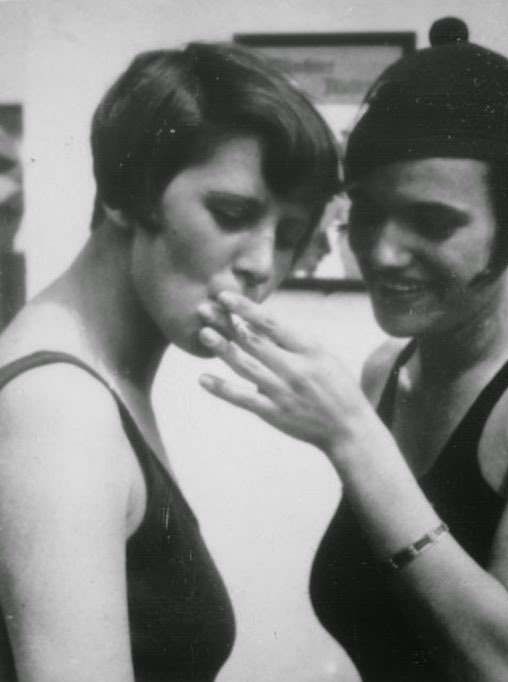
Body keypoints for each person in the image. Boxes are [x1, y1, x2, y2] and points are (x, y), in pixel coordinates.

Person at [197, 18, 508, 682]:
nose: (381, 251)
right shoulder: (389, 369)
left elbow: (502, 658)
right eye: (366, 213)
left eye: (431, 221)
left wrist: (349, 434)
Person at [0, 42, 338, 682]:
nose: (264, 265)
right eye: (233, 213)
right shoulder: (59, 409)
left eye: (289, 237)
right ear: (129, 190)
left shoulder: (97, 379)